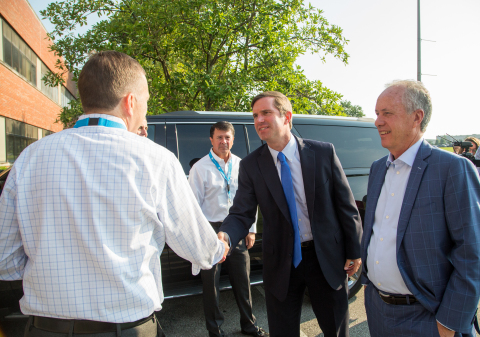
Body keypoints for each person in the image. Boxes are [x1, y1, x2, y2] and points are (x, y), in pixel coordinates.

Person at [0, 50, 228, 337]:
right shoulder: (155, 159)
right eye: (145, 101)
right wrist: (219, 247)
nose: (145, 109)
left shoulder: (28, 159)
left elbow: (5, 260)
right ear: (130, 102)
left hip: (43, 328)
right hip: (126, 328)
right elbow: (200, 249)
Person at [218, 91, 363, 337]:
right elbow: (241, 213)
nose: (259, 120)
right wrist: (225, 235)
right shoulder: (252, 165)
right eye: (255, 116)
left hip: (325, 259)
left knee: (336, 330)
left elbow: (346, 206)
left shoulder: (323, 153)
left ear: (287, 117)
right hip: (281, 264)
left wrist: (355, 250)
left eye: (266, 113)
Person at [361, 80, 480, 337]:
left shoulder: (451, 169)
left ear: (417, 117)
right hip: (378, 311)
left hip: (428, 317)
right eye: (377, 113)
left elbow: (472, 252)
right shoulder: (377, 168)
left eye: (387, 113)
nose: (378, 121)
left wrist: (450, 322)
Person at [188, 121, 267, 337]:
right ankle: (215, 330)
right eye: (219, 137)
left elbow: (251, 200)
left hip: (238, 229)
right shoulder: (200, 168)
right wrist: (201, 236)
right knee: (211, 284)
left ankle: (249, 325)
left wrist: (251, 229)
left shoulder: (242, 165)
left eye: (228, 137)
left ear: (233, 139)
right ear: (211, 140)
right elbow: (193, 206)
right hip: (211, 232)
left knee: (243, 281)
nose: (224, 141)